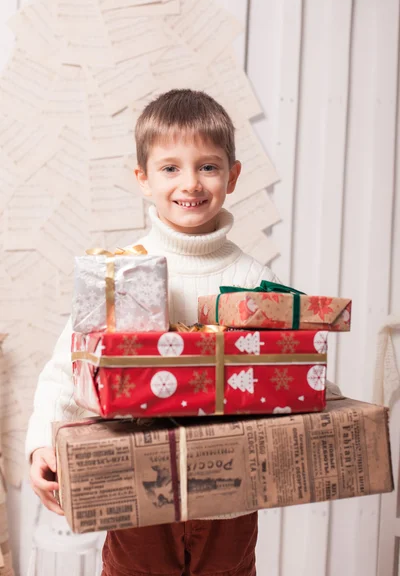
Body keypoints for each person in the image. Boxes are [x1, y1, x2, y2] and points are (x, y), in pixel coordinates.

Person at [27, 89, 280, 576]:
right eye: (170, 168)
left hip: (228, 496)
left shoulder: (251, 281)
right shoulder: (118, 271)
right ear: (142, 179)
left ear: (232, 175)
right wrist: (42, 441)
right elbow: (68, 369)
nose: (191, 182)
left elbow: (288, 369)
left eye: (208, 166)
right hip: (137, 485)